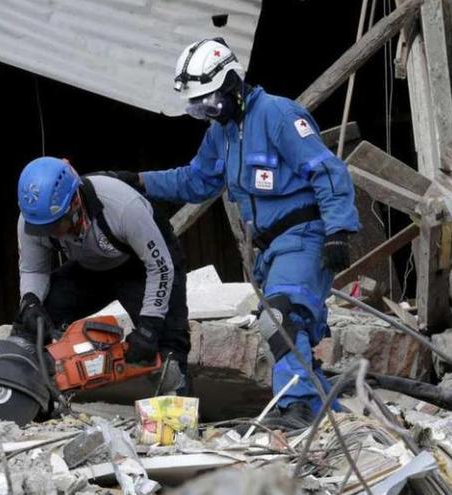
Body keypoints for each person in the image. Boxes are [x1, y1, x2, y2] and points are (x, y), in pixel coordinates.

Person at [133, 38, 359, 428]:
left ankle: (298, 411)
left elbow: (327, 171)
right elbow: (195, 181)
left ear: (232, 84)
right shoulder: (221, 132)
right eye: (197, 105)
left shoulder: (278, 115)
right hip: (269, 251)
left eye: (210, 101)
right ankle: (332, 416)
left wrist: (338, 230)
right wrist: (136, 181)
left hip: (304, 236)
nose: (206, 111)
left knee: (281, 318)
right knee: (284, 331)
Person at [15, 157, 190, 393]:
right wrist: (30, 300)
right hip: (90, 267)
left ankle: (176, 413)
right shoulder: (33, 222)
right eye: (43, 227)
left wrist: (149, 326)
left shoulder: (122, 206)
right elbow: (33, 269)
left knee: (165, 347)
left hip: (144, 266)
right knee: (31, 323)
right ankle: (26, 394)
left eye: (58, 224)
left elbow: (160, 267)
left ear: (75, 201)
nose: (51, 233)